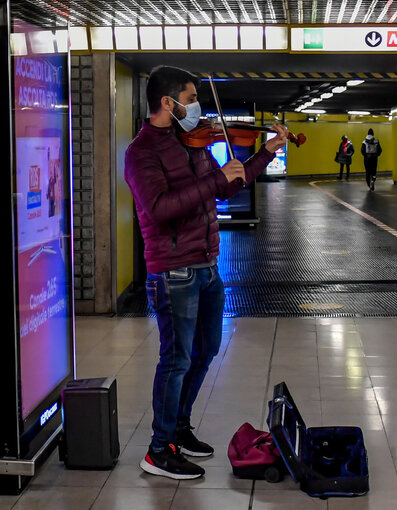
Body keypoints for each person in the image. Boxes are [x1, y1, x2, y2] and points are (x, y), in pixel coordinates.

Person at [124, 66, 288, 480]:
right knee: (175, 360)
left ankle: (178, 429)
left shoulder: (190, 143)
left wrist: (265, 153)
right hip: (173, 270)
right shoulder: (141, 152)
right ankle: (159, 450)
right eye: (192, 97)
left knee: (206, 350)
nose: (197, 106)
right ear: (168, 103)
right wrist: (215, 178)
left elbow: (226, 185)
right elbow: (160, 209)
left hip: (207, 264)